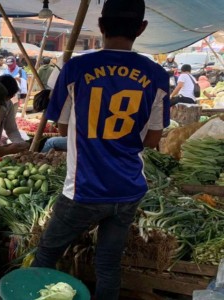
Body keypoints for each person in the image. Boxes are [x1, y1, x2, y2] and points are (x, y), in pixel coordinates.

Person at [31, 1, 169, 300]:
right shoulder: (157, 75)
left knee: (46, 254)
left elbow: (63, 128)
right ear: (142, 28)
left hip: (85, 189)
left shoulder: (77, 68)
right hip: (129, 188)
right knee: (108, 264)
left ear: (101, 25)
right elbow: (153, 139)